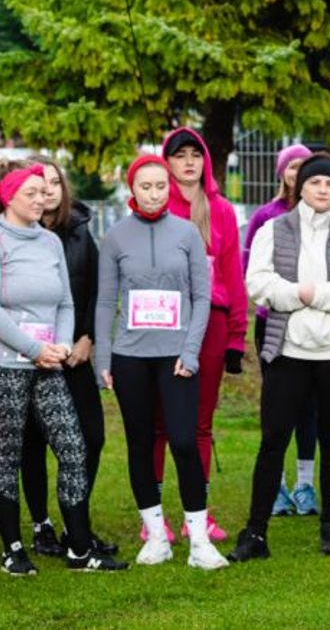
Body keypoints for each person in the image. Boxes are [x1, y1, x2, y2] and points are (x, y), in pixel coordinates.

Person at [231, 154, 330, 562]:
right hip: (288, 353)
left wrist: (316, 294)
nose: (322, 190)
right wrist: (298, 294)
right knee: (273, 441)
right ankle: (256, 533)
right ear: (301, 186)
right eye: (315, 183)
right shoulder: (274, 230)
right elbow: (258, 283)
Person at [95, 155, 226, 569]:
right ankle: (155, 535)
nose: (153, 193)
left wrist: (190, 351)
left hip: (176, 358)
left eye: (160, 186)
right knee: (139, 444)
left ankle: (199, 539)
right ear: (131, 188)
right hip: (131, 356)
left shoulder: (187, 233)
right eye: (145, 186)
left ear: (170, 188)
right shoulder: (115, 237)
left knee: (185, 442)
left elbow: (202, 297)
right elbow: (104, 301)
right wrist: (103, 356)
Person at [1, 164, 124, 575]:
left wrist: (63, 344)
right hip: (9, 365)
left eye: (44, 192)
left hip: (49, 364)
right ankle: (14, 549)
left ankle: (79, 549)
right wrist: (34, 348)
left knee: (74, 449)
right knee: (8, 457)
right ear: (9, 196)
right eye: (31, 193)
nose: (41, 199)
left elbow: (66, 302)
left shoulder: (49, 242)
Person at [156, 128, 246, 543]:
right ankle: (153, 518)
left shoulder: (221, 210)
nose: (188, 162)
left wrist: (235, 338)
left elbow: (233, 275)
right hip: (164, 322)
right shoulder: (157, 205)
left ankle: (200, 512)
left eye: (196, 154)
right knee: (159, 422)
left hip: (211, 320)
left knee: (200, 424)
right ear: (167, 162)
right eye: (180, 155)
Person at [20, 158, 109, 561]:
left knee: (92, 437)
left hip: (74, 355)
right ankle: (42, 525)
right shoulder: (20, 235)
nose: (49, 191)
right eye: (40, 185)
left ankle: (79, 522)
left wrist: (87, 337)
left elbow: (94, 290)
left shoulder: (79, 233)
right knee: (32, 444)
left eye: (55, 182)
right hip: (29, 355)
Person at [243, 143, 319, 518]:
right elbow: (249, 265)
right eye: (292, 167)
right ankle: (277, 485)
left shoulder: (323, 214)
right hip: (272, 320)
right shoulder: (266, 216)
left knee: (310, 406)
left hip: (316, 322)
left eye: (304, 167)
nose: (297, 173)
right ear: (282, 173)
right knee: (277, 405)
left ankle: (307, 483)